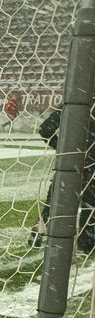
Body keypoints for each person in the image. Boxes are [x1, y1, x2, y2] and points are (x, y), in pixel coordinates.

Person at [30, 100, 95, 254]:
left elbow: (45, 129)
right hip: (90, 165)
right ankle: (86, 244)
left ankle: (39, 228)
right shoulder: (83, 107)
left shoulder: (71, 105)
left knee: (55, 200)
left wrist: (65, 148)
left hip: (68, 163)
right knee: (89, 204)